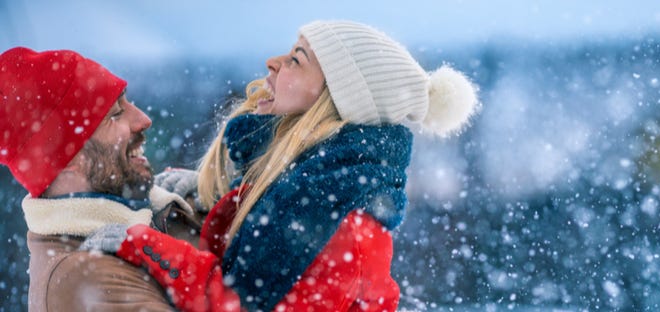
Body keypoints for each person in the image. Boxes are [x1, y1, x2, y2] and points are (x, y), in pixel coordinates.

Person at [86, 20, 479, 311]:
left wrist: (143, 243)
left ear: (334, 102)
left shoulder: (338, 226)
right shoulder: (315, 190)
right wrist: (221, 196)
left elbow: (241, 303)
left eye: (297, 59)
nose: (272, 63)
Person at [0, 47, 203, 311]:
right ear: (69, 160)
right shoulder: (81, 279)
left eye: (127, 102)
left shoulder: (145, 211)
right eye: (115, 115)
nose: (143, 120)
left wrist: (221, 203)